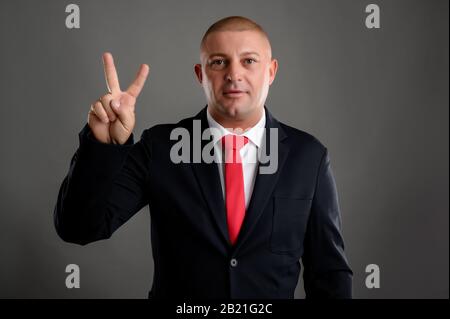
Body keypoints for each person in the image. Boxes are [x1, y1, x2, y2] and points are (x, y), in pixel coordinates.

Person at [54, 16, 353, 299]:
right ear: (201, 74)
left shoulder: (308, 156)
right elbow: (78, 228)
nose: (234, 74)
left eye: (249, 61)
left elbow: (329, 273)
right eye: (219, 62)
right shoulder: (160, 147)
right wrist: (103, 145)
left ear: (271, 71)